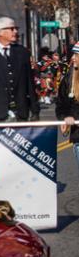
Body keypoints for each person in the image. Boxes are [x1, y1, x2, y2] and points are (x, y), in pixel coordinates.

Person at [55, 42, 79, 170]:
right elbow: (61, 104)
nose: (73, 58)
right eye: (73, 55)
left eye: (76, 55)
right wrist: (65, 117)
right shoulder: (69, 79)